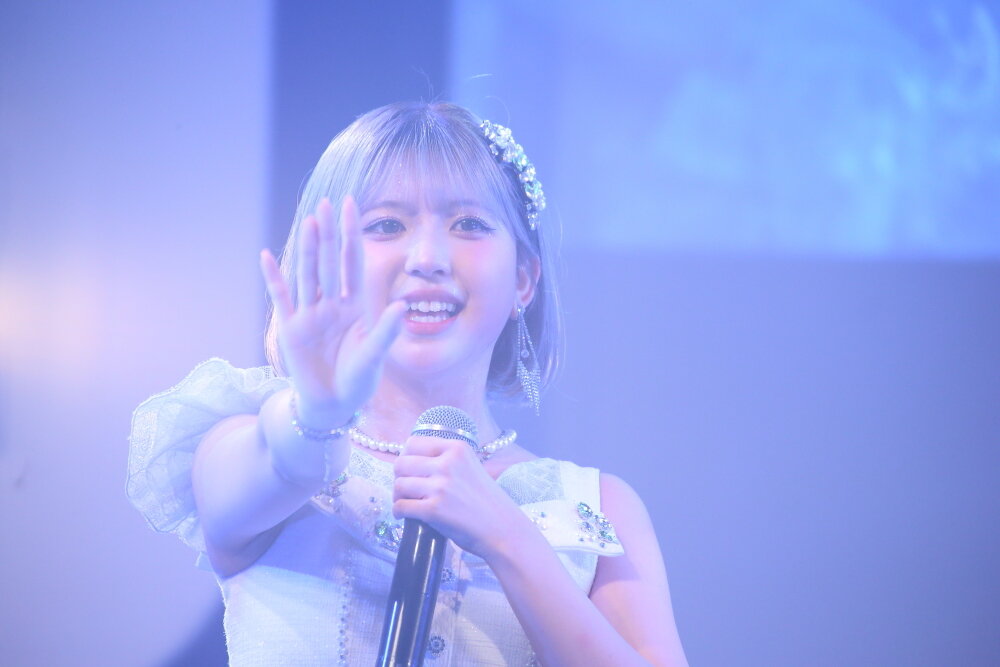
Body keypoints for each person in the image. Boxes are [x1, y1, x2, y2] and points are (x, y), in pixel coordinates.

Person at [127, 101, 688, 666]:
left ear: (523, 279)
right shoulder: (248, 444)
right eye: (386, 225)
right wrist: (317, 416)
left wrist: (507, 537)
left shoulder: (597, 506)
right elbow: (281, 461)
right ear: (328, 261)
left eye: (468, 224)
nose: (427, 258)